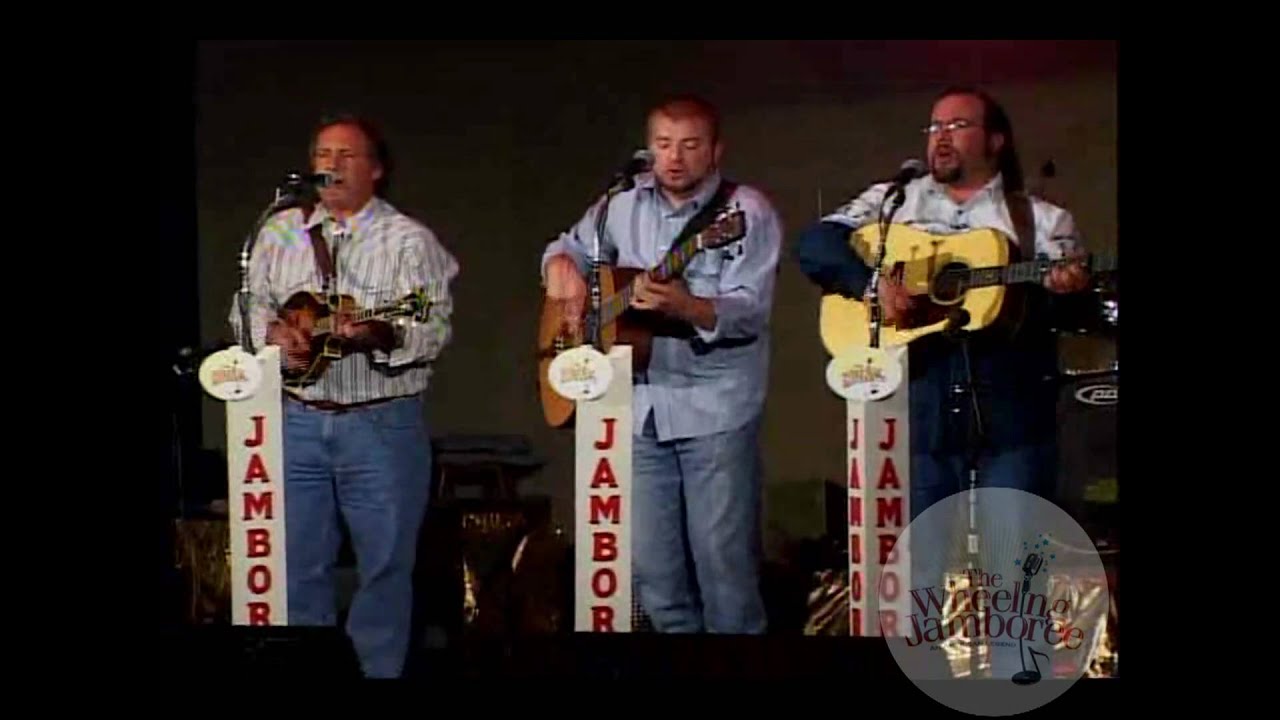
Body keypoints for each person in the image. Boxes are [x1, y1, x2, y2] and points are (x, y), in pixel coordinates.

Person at [795, 85, 1092, 524]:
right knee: (919, 573)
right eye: (935, 126)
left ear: (996, 141)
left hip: (1010, 421)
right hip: (916, 418)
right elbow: (815, 245)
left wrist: (1068, 292)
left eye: (958, 125)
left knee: (1010, 573)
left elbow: (1071, 317)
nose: (941, 136)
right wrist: (872, 286)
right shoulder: (893, 202)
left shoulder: (1042, 221)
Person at [541, 95, 783, 633]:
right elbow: (570, 246)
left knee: (725, 574)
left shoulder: (742, 213)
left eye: (690, 145)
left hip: (715, 408)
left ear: (716, 150)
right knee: (655, 577)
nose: (674, 158)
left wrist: (687, 306)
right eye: (663, 145)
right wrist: (561, 267)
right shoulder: (620, 204)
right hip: (639, 406)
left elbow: (750, 310)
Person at [228, 114, 458, 678]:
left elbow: (431, 328)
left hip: (379, 424)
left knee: (383, 566)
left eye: (347, 155)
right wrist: (274, 336)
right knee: (298, 563)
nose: (330, 165)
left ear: (376, 170)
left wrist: (379, 334)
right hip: (297, 419)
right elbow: (247, 305)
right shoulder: (281, 228)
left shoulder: (409, 240)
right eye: (323, 154)